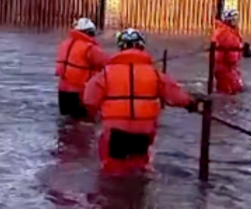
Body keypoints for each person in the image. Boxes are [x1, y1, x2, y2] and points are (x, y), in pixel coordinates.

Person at [83, 28, 201, 175]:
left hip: (115, 132)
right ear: (141, 46)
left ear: (120, 47)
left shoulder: (106, 74)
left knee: (111, 172)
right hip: (143, 132)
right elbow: (176, 96)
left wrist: (94, 112)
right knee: (138, 169)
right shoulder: (155, 73)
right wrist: (191, 103)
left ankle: (112, 196)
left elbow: (89, 99)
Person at [55, 18, 109, 119]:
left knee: (66, 121)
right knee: (81, 123)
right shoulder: (90, 48)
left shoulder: (65, 44)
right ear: (88, 32)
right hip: (80, 91)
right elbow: (107, 63)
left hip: (63, 91)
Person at [211, 9, 251, 95]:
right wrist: (240, 51)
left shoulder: (227, 31)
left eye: (237, 18)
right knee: (229, 93)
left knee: (230, 90)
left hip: (225, 68)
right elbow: (231, 57)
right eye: (234, 19)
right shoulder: (227, 34)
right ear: (228, 20)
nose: (237, 21)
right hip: (226, 68)